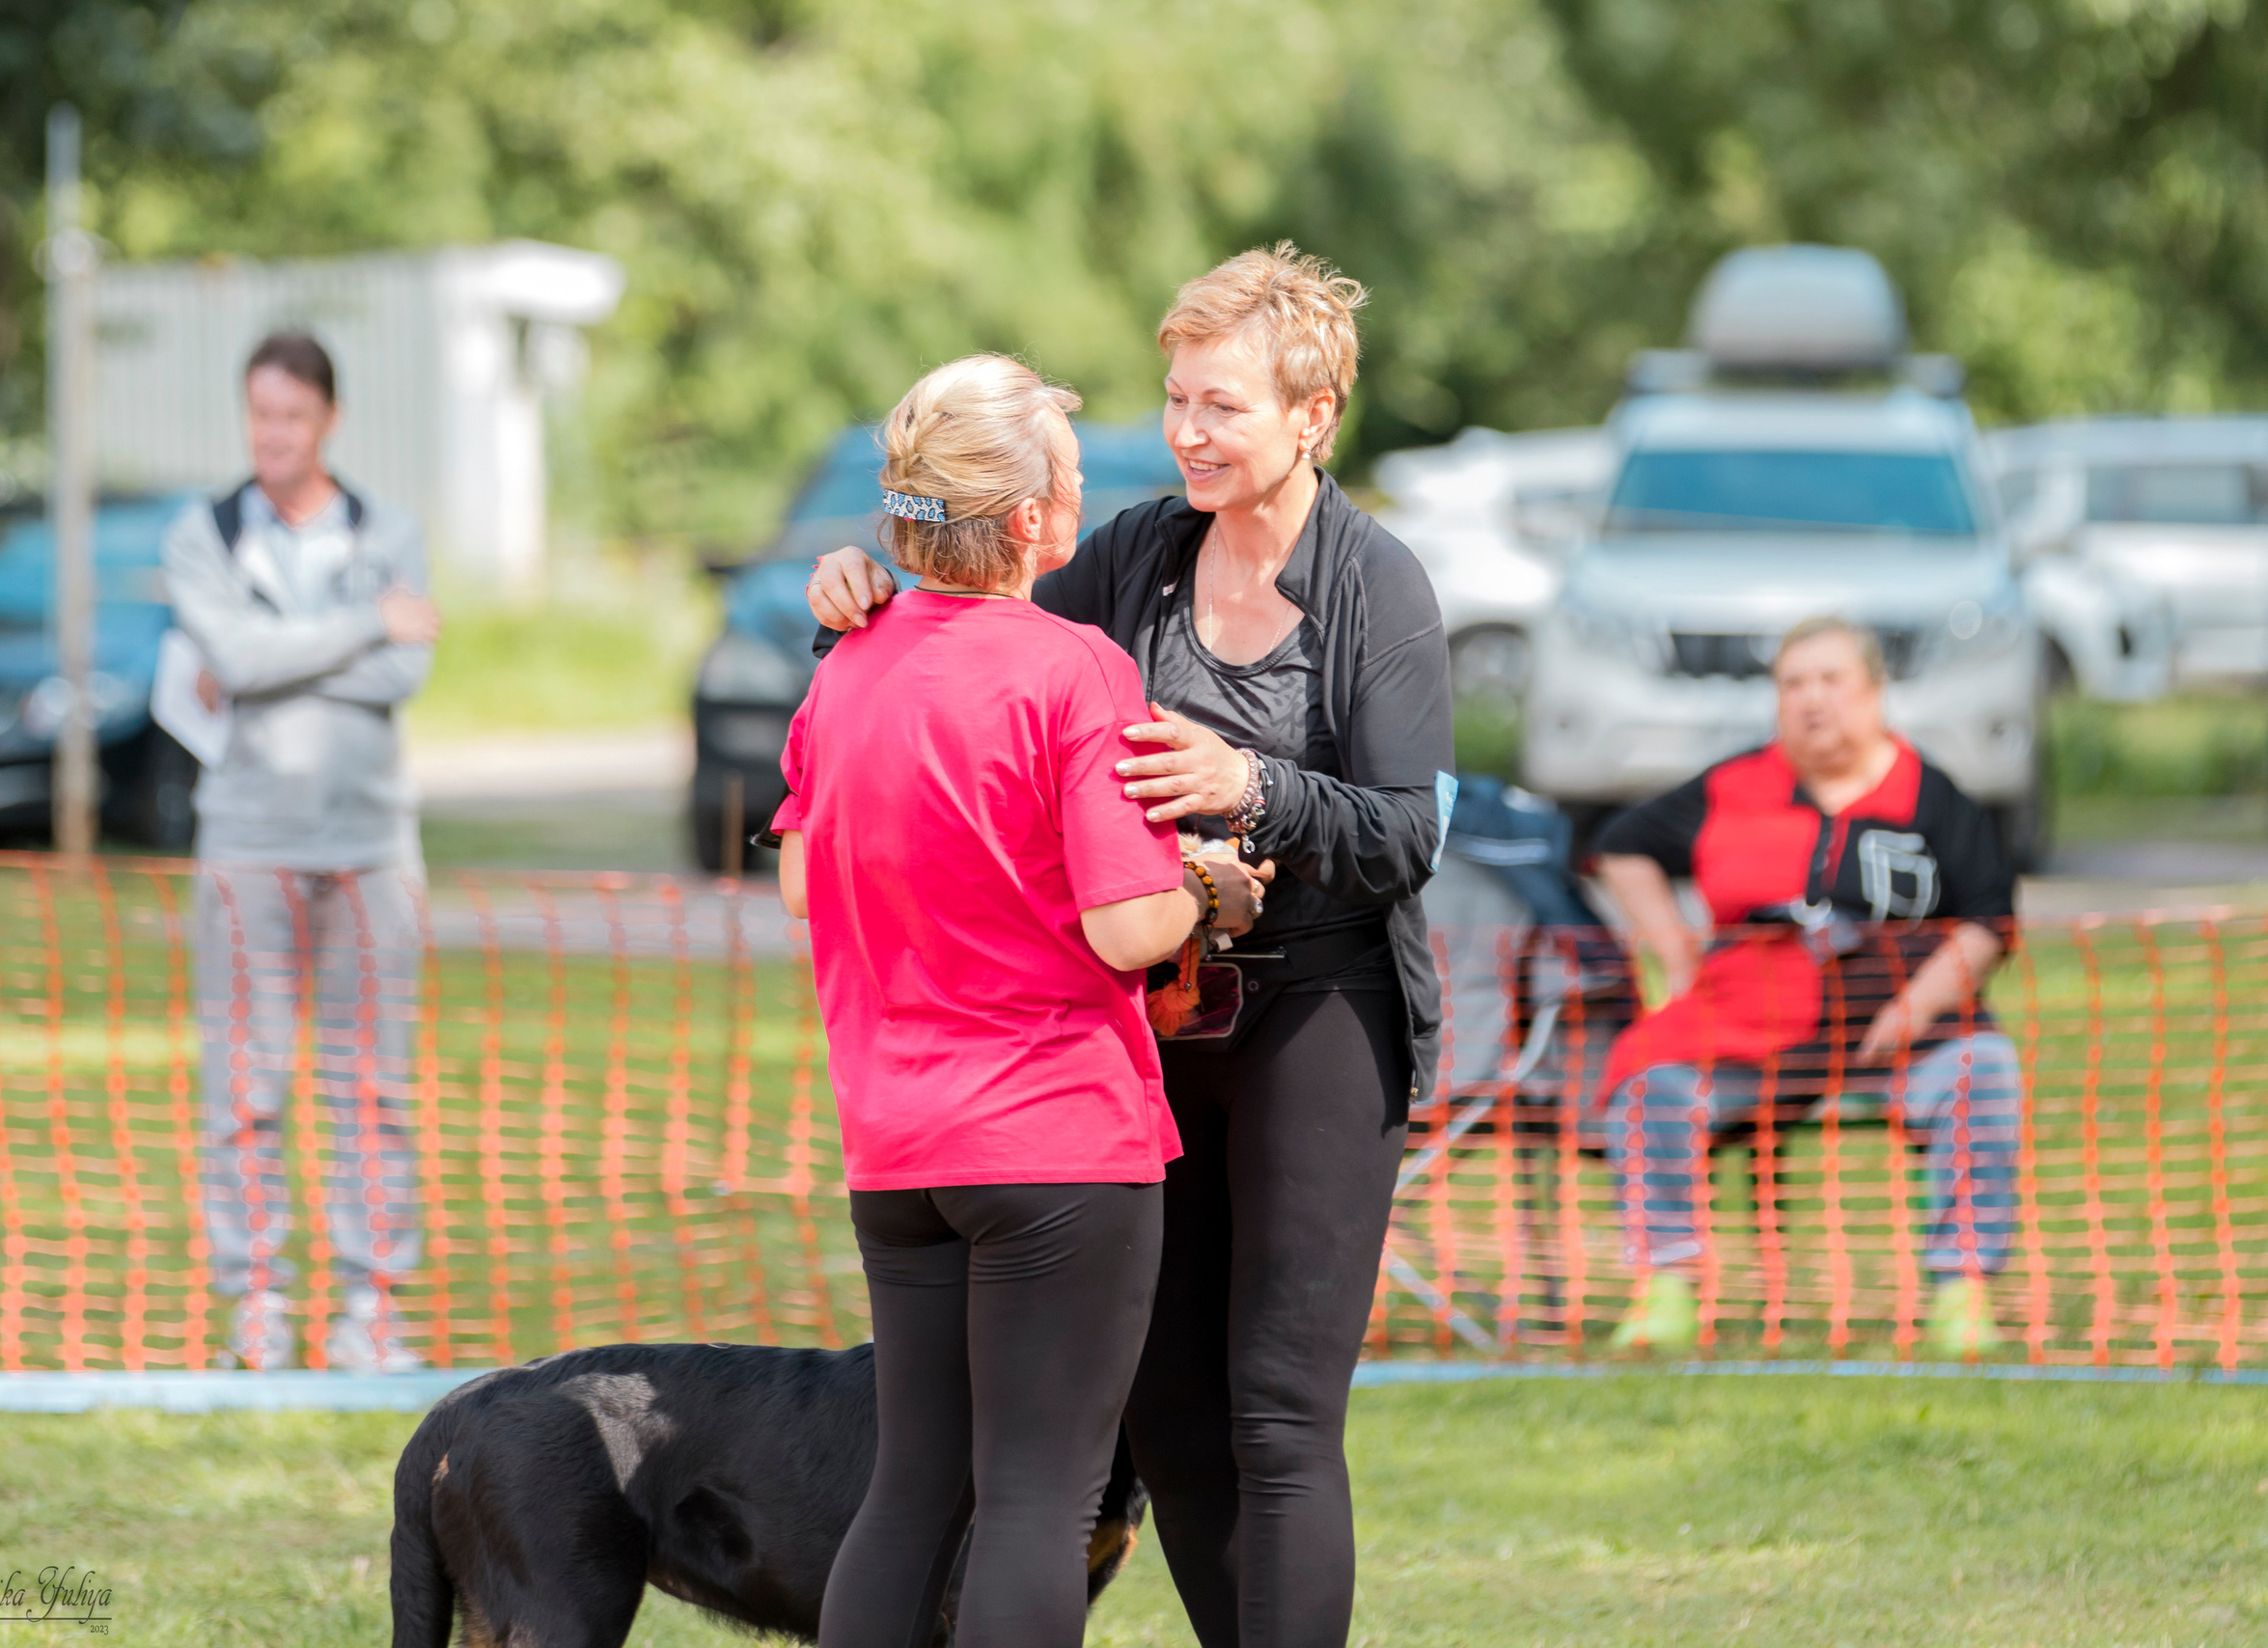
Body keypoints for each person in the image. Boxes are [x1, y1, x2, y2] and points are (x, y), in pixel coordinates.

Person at [807, 246, 1453, 1648]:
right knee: (1160, 1421)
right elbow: (980, 649)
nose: (1187, 433)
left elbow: (1407, 832)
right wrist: (874, 582)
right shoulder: (1138, 556)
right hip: (1144, 1034)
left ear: (1313, 413)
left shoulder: (1378, 586)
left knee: (1277, 1418)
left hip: (1314, 1028)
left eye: (1222, 404)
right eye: (1176, 399)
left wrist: (1253, 789)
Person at [773, 353, 1265, 1648]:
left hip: (898, 1148)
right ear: (1036, 515)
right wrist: (1212, 891)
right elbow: (1124, 926)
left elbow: (795, 885)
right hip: (1058, 1142)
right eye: (1079, 479)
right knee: (1041, 1506)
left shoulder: (847, 667)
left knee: (914, 1491)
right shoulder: (1076, 671)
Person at [1590, 615, 2021, 1360]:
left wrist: (1916, 1006)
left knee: (1984, 1072)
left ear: (1875, 692)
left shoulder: (1933, 796)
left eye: (1831, 680)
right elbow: (1621, 848)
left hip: (1899, 1032)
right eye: (1793, 683)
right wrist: (1678, 956)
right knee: (1650, 1082)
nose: (1812, 699)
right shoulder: (1734, 785)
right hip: (1752, 1028)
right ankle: (1665, 1289)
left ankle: (1964, 1292)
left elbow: (1990, 921)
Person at [162, 331, 443, 1373]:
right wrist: (364, 623)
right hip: (247, 850)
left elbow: (398, 678)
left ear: (327, 417)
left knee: (372, 1087)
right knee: (245, 1085)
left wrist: (270, 661)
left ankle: (372, 1306)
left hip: (370, 852)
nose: (272, 434)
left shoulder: (390, 529)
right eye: (258, 414)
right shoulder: (205, 533)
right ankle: (259, 1304)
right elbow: (228, 652)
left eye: (290, 415)